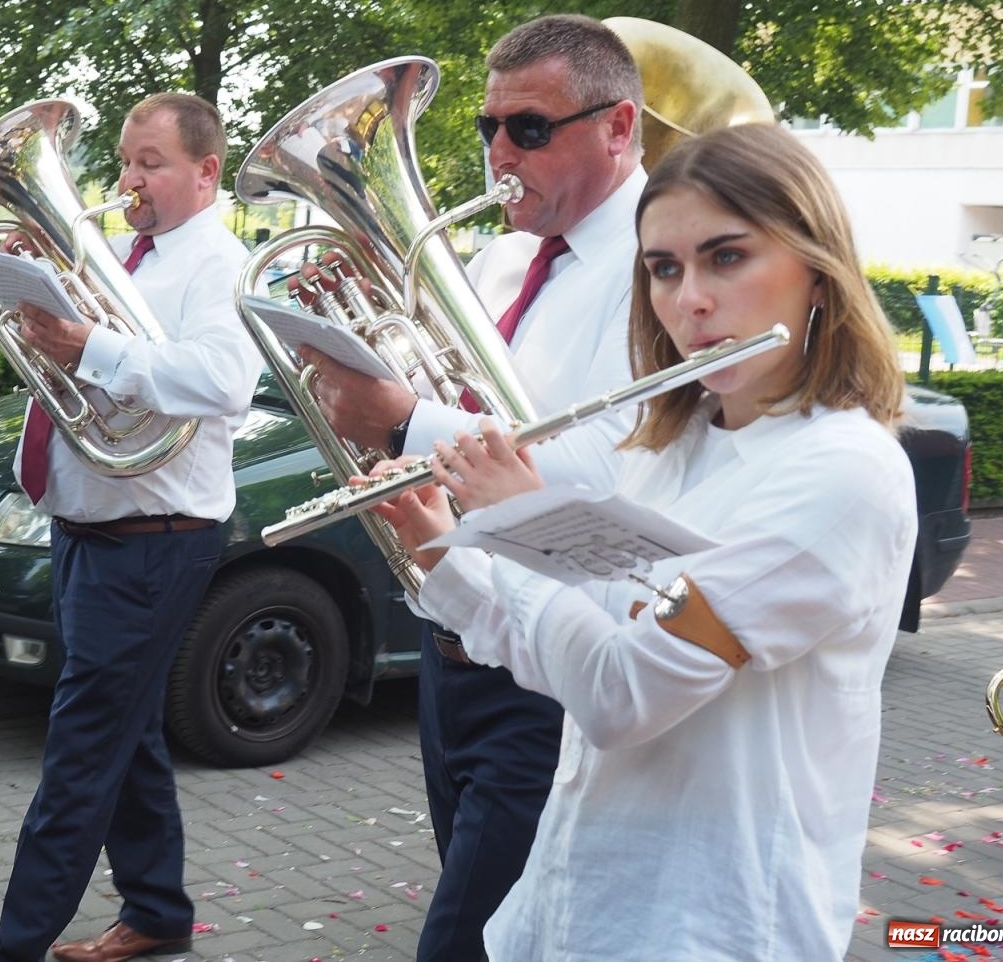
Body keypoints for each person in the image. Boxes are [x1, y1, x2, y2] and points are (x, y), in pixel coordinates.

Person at [381, 122, 916, 959]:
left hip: (709, 922)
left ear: (817, 272)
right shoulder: (669, 447)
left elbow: (622, 692)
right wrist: (441, 547)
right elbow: (567, 640)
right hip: (574, 904)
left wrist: (521, 524)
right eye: (664, 269)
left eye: (727, 257)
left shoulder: (842, 476)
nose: (688, 300)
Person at [296, 14, 645, 960]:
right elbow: (460, 401)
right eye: (488, 127)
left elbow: (610, 470)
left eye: (528, 128)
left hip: (558, 657)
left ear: (619, 129)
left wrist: (405, 418)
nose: (499, 152)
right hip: (457, 626)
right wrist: (345, 339)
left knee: (464, 944)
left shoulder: (661, 265)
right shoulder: (499, 254)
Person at [0, 94, 263, 962]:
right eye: (127, 162)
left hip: (152, 539)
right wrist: (38, 290)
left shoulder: (218, 261)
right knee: (125, 734)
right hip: (89, 531)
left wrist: (87, 342)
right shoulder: (119, 257)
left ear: (206, 172)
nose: (129, 180)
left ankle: (10, 949)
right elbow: (82, 365)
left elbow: (222, 383)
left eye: (153, 163)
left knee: (81, 757)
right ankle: (159, 912)